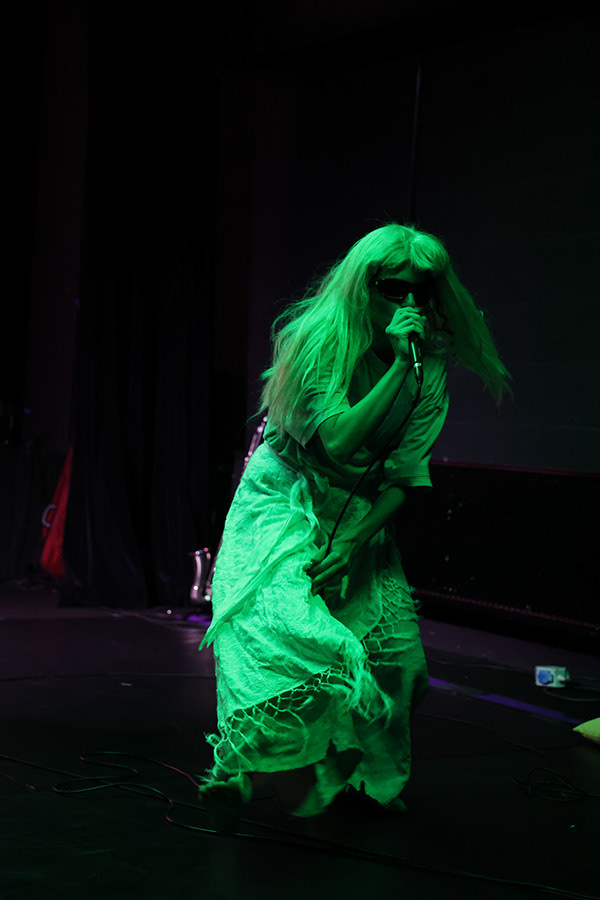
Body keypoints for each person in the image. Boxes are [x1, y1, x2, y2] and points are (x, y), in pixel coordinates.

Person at [197, 222, 511, 834]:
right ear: (364, 286)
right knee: (289, 635)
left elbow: (406, 475)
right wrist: (397, 369)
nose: (410, 303)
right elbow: (337, 441)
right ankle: (244, 767)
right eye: (395, 289)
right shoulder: (315, 340)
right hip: (285, 499)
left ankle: (365, 774)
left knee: (400, 662)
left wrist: (352, 540)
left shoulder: (429, 365)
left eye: (422, 291)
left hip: (360, 512)